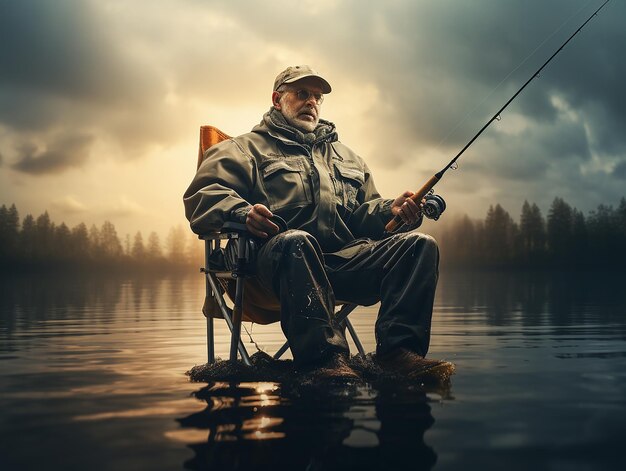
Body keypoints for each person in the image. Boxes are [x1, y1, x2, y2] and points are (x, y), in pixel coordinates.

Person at [184, 65, 454, 379]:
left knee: (419, 246)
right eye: (301, 94)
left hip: (341, 266)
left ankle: (398, 354)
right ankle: (325, 361)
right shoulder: (243, 149)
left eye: (317, 96)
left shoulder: (348, 158)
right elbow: (203, 195)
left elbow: (361, 214)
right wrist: (242, 213)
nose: (311, 102)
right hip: (269, 268)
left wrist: (391, 211)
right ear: (277, 99)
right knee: (296, 241)